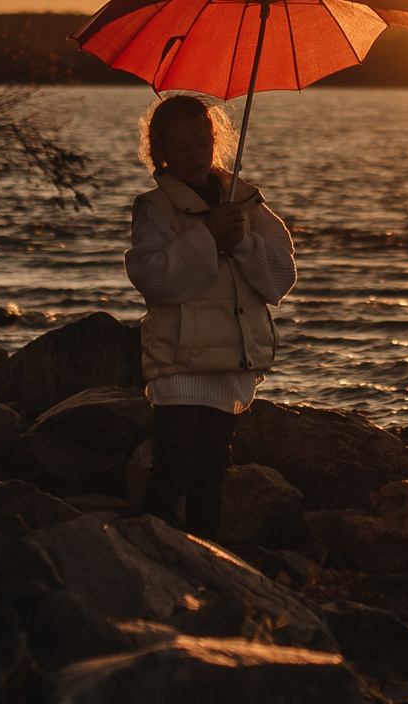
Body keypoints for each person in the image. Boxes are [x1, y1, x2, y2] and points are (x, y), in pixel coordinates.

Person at [124, 93, 296, 540]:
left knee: (211, 475)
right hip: (180, 362)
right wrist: (209, 236)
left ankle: (206, 558)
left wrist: (241, 241)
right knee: (171, 467)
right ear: (159, 153)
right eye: (180, 148)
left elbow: (280, 276)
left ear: (215, 141)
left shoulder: (246, 203)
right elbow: (155, 278)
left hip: (229, 363)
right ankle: (149, 549)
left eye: (202, 143)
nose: (194, 155)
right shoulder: (155, 210)